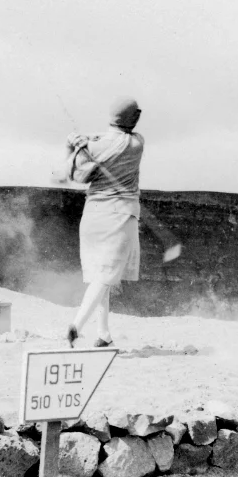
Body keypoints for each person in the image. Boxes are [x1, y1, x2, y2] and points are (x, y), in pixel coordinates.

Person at [62, 98, 144, 348]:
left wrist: (73, 147)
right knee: (105, 278)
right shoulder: (137, 143)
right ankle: (77, 325)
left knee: (100, 277)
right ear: (134, 117)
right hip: (120, 216)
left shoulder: (92, 148)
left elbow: (72, 175)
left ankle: (104, 333)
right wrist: (86, 142)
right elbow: (114, 139)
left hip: (93, 216)